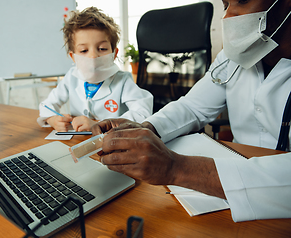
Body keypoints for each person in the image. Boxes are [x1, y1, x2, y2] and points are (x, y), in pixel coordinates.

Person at [91, 0, 291, 222]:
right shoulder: (235, 57)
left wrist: (177, 168)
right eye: (226, 4)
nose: (227, 16)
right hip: (228, 201)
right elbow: (193, 106)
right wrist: (146, 127)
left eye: (242, 1)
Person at [37, 7, 153, 132]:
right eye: (83, 51)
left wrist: (101, 125)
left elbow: (143, 113)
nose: (93, 56)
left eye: (102, 49)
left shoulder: (123, 81)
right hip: (79, 143)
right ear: (73, 57)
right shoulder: (71, 77)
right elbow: (46, 105)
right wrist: (52, 119)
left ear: (114, 54)